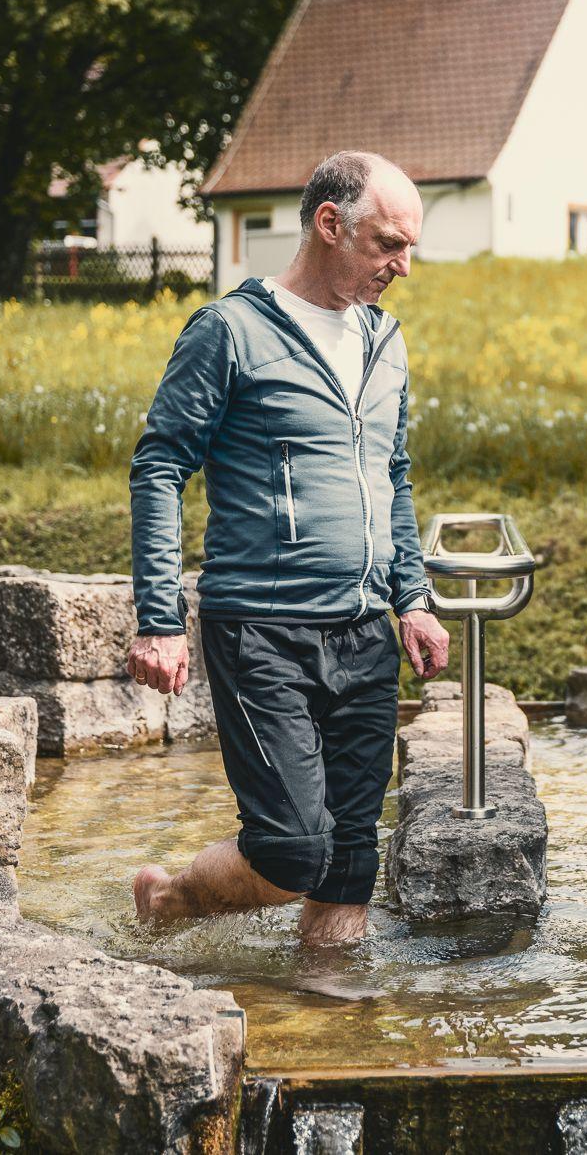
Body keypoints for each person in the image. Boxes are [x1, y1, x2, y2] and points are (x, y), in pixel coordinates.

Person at [125, 150, 452, 947]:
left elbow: (393, 475)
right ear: (329, 223)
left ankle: (326, 1016)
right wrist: (159, 616)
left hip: (363, 633)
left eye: (410, 247)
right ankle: (169, 898)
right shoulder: (229, 330)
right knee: (294, 847)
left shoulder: (386, 343)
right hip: (260, 627)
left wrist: (411, 595)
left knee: (348, 859)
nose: (402, 266)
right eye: (388, 244)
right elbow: (161, 463)